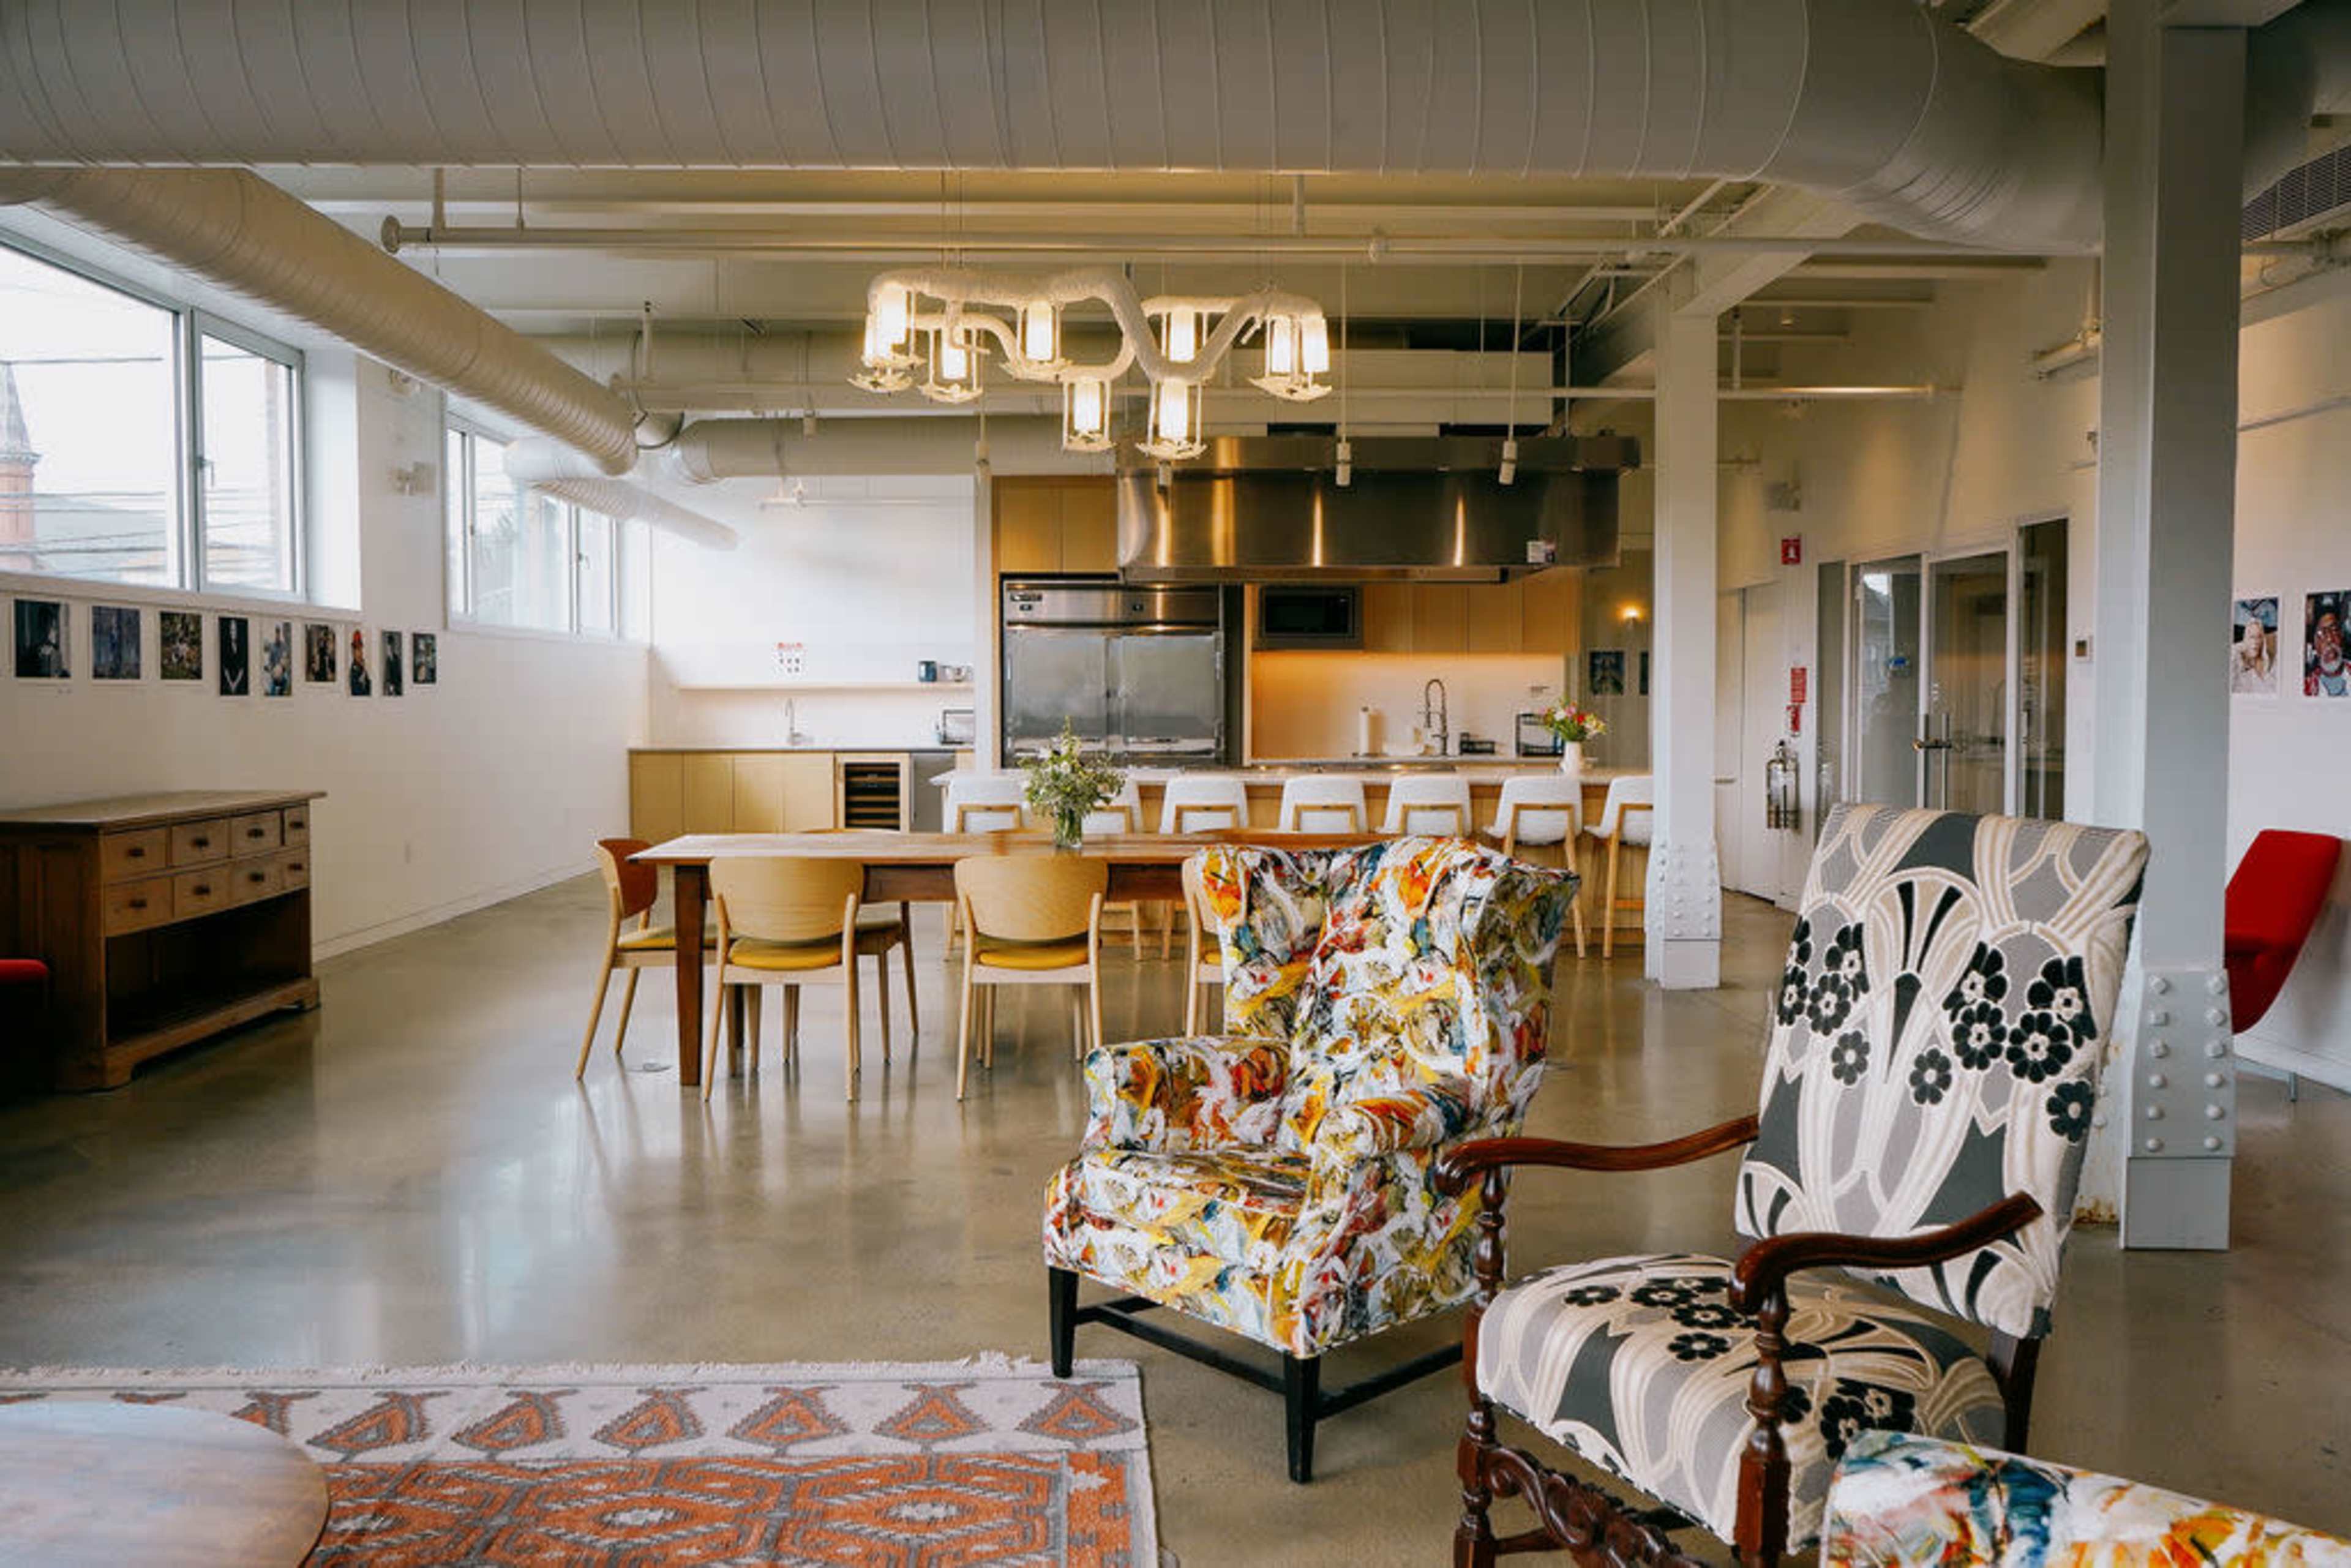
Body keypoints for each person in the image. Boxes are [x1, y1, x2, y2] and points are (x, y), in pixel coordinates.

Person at [2308, 598, 2348, 699]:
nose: (2330, 639)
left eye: (2334, 630)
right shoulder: (2307, 687)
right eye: (2322, 633)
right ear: (2315, 645)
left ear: (2341, 636)